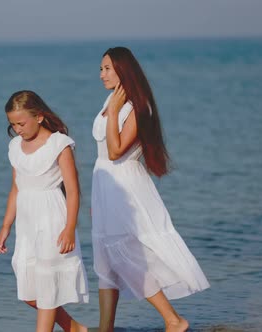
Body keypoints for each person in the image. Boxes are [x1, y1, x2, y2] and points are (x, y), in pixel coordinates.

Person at [90, 47, 210, 332]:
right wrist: (96, 199)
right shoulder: (111, 99)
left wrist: (117, 110)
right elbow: (102, 153)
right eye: (101, 68)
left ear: (123, 70)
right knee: (104, 259)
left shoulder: (136, 106)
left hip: (125, 186)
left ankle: (173, 320)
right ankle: (105, 328)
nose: (102, 74)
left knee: (125, 253)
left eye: (107, 68)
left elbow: (116, 150)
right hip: (105, 184)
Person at [0, 90, 89, 332]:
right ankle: (76, 329)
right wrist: (6, 226)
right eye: (12, 124)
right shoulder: (15, 146)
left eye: (21, 123)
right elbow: (16, 189)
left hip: (52, 219)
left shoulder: (59, 144)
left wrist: (69, 228)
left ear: (38, 117)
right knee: (29, 291)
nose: (17, 129)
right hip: (26, 224)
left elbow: (74, 191)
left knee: (47, 289)